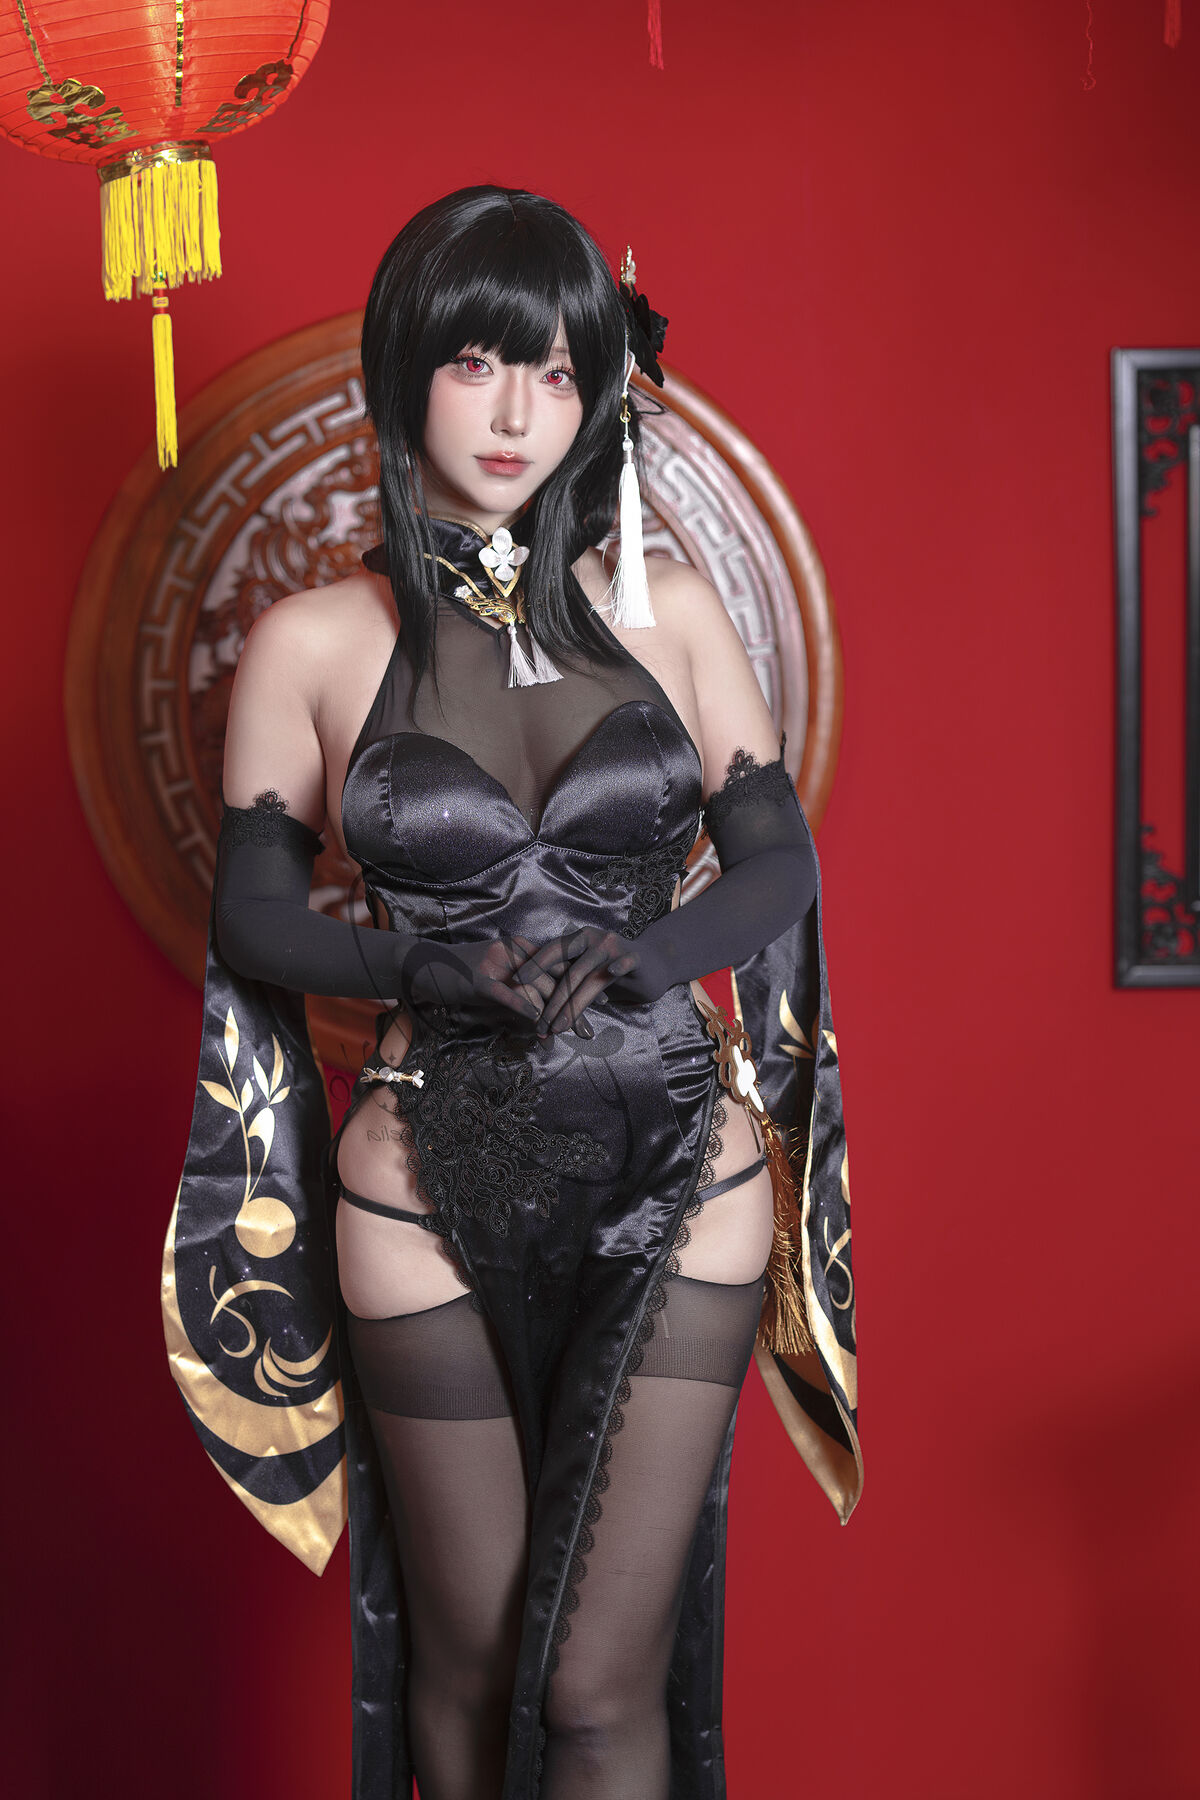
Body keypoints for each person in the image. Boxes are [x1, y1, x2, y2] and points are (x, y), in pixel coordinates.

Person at [163, 185, 861, 1800]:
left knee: (596, 1688)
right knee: (472, 1675)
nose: (515, 414)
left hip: (680, 1162)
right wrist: (414, 960)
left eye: (555, 372)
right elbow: (253, 915)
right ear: (405, 370)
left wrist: (653, 954)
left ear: (595, 392)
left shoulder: (677, 617)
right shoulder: (313, 640)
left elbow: (779, 868)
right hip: (418, 1169)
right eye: (478, 363)